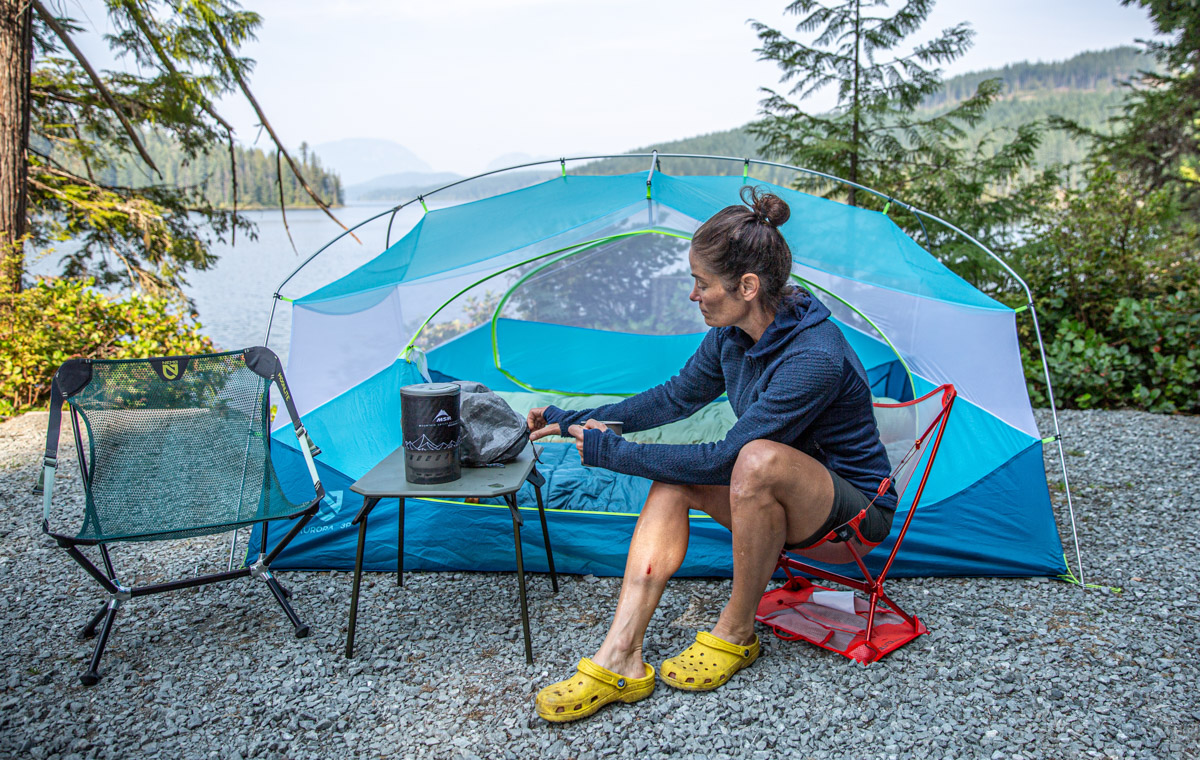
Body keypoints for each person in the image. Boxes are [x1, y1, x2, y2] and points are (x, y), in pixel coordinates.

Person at [527, 187, 898, 723]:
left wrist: (614, 453)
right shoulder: (732, 335)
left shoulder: (814, 355)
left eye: (702, 284)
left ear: (747, 286)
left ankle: (737, 630)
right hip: (774, 507)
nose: (694, 295)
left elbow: (726, 460)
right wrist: (572, 420)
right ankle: (621, 654)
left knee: (754, 458)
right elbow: (673, 398)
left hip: (853, 521)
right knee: (675, 481)